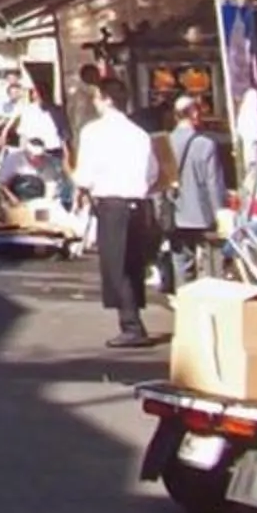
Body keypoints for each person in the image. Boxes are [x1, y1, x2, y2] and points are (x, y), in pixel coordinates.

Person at [74, 84, 162, 347]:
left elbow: (85, 173)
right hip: (139, 203)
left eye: (98, 98)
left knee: (117, 265)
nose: (96, 103)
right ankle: (133, 319)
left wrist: (80, 184)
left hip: (111, 203)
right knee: (133, 264)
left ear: (107, 100)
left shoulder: (94, 132)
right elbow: (153, 172)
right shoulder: (139, 134)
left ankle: (131, 325)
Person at [166, 96, 229, 288]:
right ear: (193, 113)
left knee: (181, 260)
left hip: (175, 212)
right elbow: (213, 182)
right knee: (210, 262)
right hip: (202, 213)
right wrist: (220, 212)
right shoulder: (205, 144)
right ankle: (209, 303)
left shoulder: (164, 142)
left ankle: (184, 299)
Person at [6, 78, 71, 214]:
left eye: (44, 92)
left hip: (54, 152)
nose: (41, 95)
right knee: (36, 185)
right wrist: (22, 156)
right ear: (34, 94)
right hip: (33, 153)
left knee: (55, 186)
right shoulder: (28, 111)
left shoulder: (57, 111)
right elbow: (23, 135)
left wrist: (67, 156)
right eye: (38, 93)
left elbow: (64, 134)